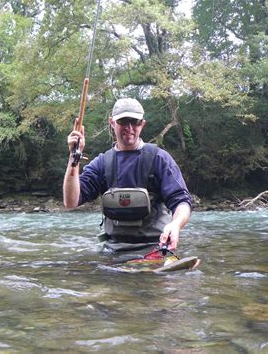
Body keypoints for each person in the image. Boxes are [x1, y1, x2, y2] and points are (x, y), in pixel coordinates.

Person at [63, 98, 193, 253]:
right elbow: (70, 201)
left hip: (155, 248)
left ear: (142, 124)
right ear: (112, 123)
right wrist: (74, 157)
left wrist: (176, 224)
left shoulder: (160, 159)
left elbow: (182, 201)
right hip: (113, 250)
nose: (129, 127)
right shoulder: (102, 163)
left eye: (135, 122)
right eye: (123, 121)